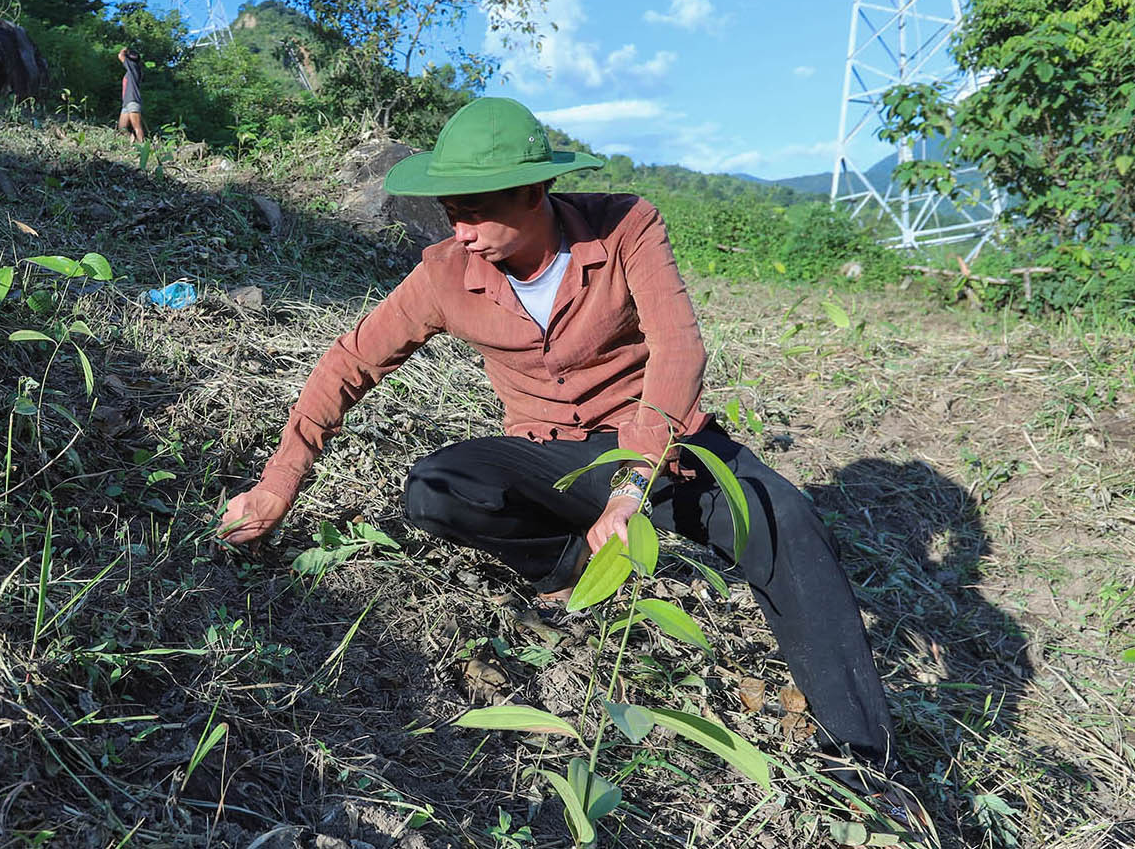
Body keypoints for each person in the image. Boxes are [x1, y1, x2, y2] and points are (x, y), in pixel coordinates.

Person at [216, 96, 925, 826]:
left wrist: (632, 481)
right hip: (551, 458)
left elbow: (679, 349)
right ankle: (569, 567)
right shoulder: (445, 273)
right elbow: (349, 362)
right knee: (437, 487)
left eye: (475, 210)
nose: (459, 230)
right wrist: (279, 484)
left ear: (535, 192)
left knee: (784, 518)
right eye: (449, 212)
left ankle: (863, 765)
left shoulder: (626, 226)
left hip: (663, 448)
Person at [117, 47, 145, 145]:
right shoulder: (131, 71)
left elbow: (120, 55)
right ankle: (133, 141)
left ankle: (143, 147)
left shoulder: (134, 67)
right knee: (122, 129)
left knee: (137, 127)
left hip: (133, 101)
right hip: (126, 103)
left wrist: (124, 49)